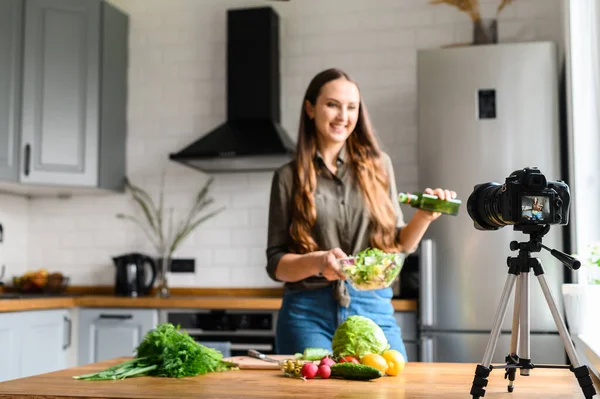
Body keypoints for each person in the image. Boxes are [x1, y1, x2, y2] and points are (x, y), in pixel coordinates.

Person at [265, 68, 457, 360]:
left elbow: (399, 244)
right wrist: (319, 261)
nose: (343, 115)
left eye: (351, 107)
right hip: (308, 313)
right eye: (332, 104)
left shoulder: (379, 166)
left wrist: (424, 217)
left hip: (372, 307)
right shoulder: (287, 177)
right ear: (310, 109)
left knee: (391, 386)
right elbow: (277, 264)